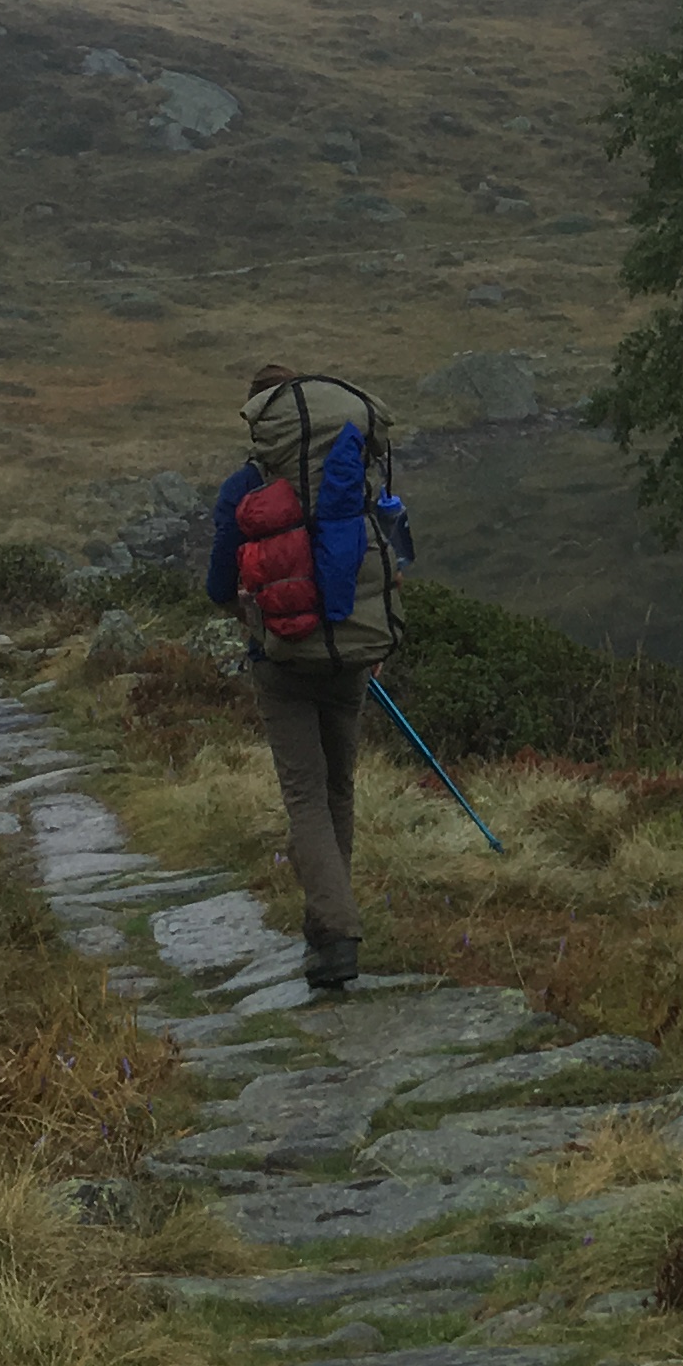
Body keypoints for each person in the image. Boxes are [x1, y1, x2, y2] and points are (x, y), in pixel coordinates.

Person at [201, 362, 407, 989]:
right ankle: (327, 926)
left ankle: (336, 929)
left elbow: (216, 587)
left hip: (281, 662)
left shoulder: (244, 488)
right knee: (338, 787)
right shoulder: (350, 479)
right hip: (351, 657)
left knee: (305, 796)